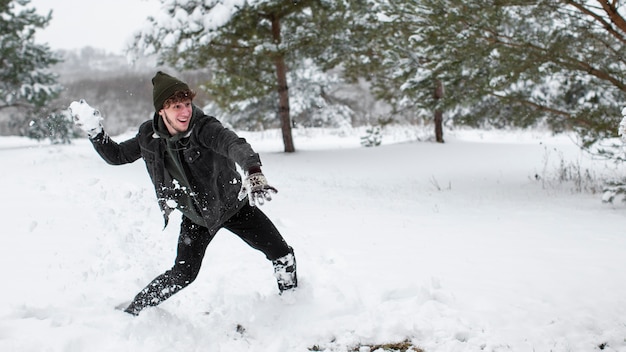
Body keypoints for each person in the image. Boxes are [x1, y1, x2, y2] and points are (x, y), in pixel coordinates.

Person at [69, 71, 297, 316]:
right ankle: (133, 311)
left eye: (187, 104)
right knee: (182, 274)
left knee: (282, 254)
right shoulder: (149, 135)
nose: (185, 111)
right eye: (177, 106)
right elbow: (117, 156)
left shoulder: (205, 127)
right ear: (161, 111)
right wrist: (95, 132)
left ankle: (293, 305)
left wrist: (252, 170)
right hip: (196, 217)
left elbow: (233, 144)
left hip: (234, 206)